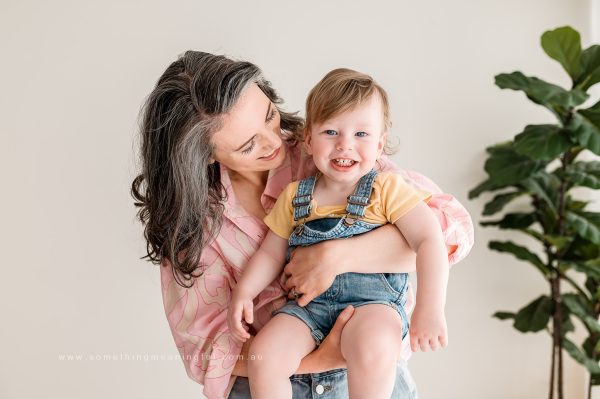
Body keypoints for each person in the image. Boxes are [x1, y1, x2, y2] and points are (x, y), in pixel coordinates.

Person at [131, 51, 474, 399]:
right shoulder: (198, 222)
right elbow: (206, 350)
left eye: (270, 116)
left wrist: (336, 257)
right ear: (202, 154)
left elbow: (450, 231)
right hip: (278, 368)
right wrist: (317, 357)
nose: (274, 139)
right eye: (249, 144)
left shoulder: (335, 156)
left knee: (374, 344)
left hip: (366, 360)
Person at [227, 68, 449, 399]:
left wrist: (430, 308)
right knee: (265, 354)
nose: (345, 145)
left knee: (375, 345)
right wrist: (244, 292)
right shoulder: (294, 196)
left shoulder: (387, 189)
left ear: (380, 144)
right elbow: (271, 253)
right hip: (307, 310)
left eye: (361, 134)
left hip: (373, 305)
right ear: (308, 139)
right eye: (331, 131)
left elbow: (430, 240)